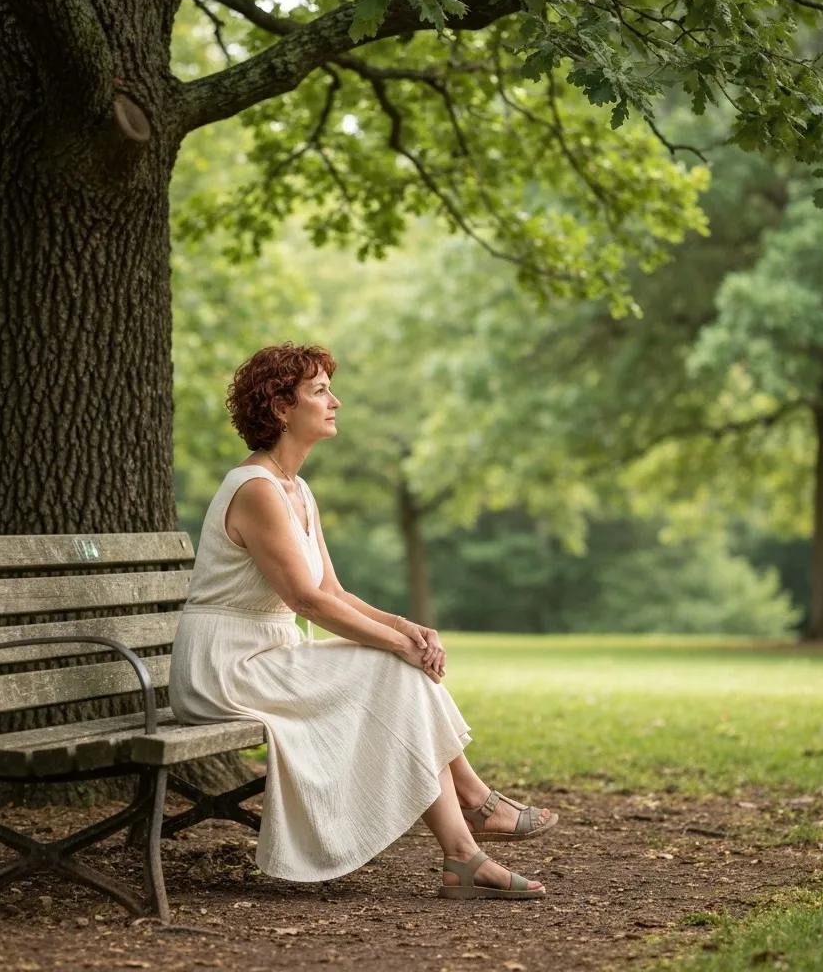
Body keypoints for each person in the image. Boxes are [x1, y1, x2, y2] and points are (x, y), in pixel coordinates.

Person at [169, 343, 557, 899]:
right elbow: (308, 602)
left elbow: (334, 590)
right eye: (320, 391)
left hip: (269, 657)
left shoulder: (297, 489)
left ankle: (465, 850)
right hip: (225, 667)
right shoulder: (254, 489)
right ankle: (474, 809)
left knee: (398, 667)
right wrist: (396, 647)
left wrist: (406, 629)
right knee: (392, 668)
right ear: (281, 407)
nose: (336, 402)